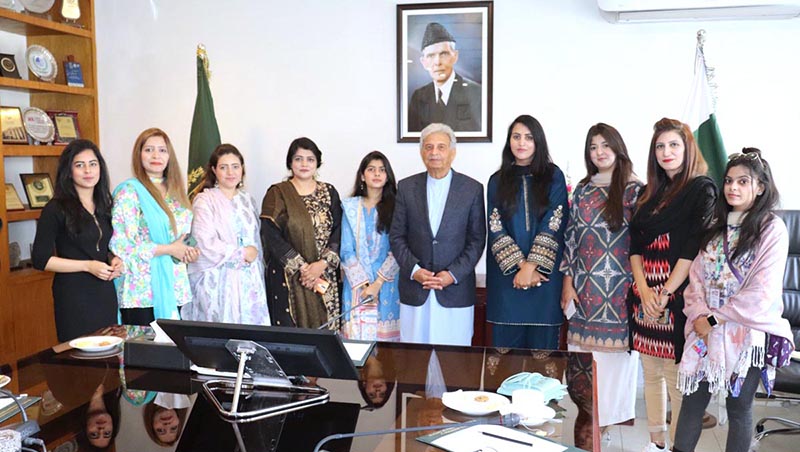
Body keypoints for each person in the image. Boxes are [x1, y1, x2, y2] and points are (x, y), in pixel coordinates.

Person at [674, 149, 794, 452]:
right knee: (692, 402)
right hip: (705, 328)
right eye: (729, 180)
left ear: (761, 187)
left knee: (739, 406)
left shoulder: (771, 229)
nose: (733, 188)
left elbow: (761, 293)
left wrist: (715, 319)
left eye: (743, 181)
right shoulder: (715, 229)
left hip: (747, 332)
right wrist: (701, 316)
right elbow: (696, 279)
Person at [627, 118, 717, 452]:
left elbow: (691, 247)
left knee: (676, 380)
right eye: (660, 146)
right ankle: (656, 444)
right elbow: (634, 246)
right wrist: (644, 291)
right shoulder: (648, 193)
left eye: (673, 145)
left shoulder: (701, 189)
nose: (666, 152)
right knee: (650, 373)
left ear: (687, 148)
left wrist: (664, 293)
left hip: (677, 296)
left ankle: (678, 447)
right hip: (644, 294)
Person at [560, 123, 642, 444]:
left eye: (605, 145)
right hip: (584, 296)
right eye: (593, 146)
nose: (599, 152)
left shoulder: (635, 191)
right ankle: (589, 432)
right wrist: (567, 282)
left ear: (618, 148)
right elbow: (571, 238)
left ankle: (602, 431)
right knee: (583, 377)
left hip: (620, 297)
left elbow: (642, 245)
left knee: (612, 376)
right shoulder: (582, 190)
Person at [389, 123, 486, 346]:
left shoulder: (472, 189)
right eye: (429, 147)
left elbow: (477, 240)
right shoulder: (406, 187)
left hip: (455, 292)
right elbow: (397, 236)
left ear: (452, 152)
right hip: (416, 289)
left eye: (441, 147)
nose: (434, 153)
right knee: (413, 364)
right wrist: (415, 270)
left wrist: (451, 274)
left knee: (456, 366)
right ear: (421, 152)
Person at [486, 115, 568, 349]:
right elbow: (495, 227)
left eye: (528, 137)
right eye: (516, 136)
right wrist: (521, 269)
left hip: (544, 280)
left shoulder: (553, 176)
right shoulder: (497, 180)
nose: (521, 143)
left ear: (538, 142)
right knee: (503, 362)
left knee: (544, 360)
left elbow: (554, 222)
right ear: (509, 141)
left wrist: (531, 268)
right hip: (507, 280)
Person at [31, 139, 121, 342]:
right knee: (78, 357)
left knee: (108, 352)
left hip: (104, 292)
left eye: (93, 164)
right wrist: (87, 266)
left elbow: (101, 246)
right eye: (80, 165)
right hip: (73, 294)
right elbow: (41, 259)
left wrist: (114, 259)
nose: (88, 170)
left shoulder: (105, 205)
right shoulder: (55, 208)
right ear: (69, 171)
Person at [109, 128, 199, 325]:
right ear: (138, 155)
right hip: (142, 290)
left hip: (174, 285)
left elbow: (183, 237)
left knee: (173, 352)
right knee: (145, 353)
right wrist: (169, 249)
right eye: (149, 150)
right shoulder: (129, 192)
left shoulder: (176, 191)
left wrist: (188, 252)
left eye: (162, 150)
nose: (156, 155)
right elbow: (123, 246)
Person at [260, 137, 342, 329]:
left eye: (310, 159)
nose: (304, 164)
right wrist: (304, 269)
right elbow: (270, 234)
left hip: (324, 275)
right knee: (291, 338)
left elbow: (339, 230)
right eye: (298, 159)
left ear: (317, 163)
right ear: (290, 162)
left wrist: (321, 265)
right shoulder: (277, 193)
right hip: (289, 277)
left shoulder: (329, 192)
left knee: (326, 336)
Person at [184, 144, 270, 325]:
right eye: (223, 167)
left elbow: (256, 242)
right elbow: (204, 243)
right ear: (214, 170)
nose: (230, 172)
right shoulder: (205, 200)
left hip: (249, 283)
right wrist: (242, 253)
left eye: (235, 166)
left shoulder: (247, 200)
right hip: (218, 282)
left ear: (242, 169)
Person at [340, 151, 401, 341]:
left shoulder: (397, 207)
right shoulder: (349, 208)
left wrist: (377, 285)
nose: (376, 174)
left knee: (386, 352)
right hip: (356, 286)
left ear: (387, 176)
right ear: (362, 176)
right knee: (356, 347)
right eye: (371, 169)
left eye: (382, 170)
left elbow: (398, 249)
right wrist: (365, 286)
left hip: (387, 284)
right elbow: (346, 250)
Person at [407, 22, 481, 132]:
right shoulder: (418, 97)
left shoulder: (476, 93)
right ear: (424, 62)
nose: (437, 62)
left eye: (444, 54)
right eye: (431, 56)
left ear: (455, 56)